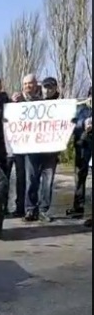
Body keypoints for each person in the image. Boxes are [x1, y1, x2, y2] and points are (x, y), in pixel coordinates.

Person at [23, 77, 60, 222]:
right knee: (31, 180)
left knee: (47, 183)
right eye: (45, 87)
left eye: (51, 87)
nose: (48, 90)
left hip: (51, 152)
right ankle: (30, 209)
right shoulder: (32, 103)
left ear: (55, 88)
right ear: (41, 88)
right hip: (32, 151)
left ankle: (44, 210)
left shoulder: (61, 105)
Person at [8, 73, 42, 218]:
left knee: (32, 177)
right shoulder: (15, 100)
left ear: (36, 85)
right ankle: (19, 207)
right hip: (18, 145)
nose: (28, 86)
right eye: (26, 84)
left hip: (33, 145)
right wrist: (13, 102)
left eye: (30, 83)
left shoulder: (41, 102)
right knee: (20, 177)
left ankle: (31, 208)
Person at [66, 87, 92, 221]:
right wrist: (83, 124)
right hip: (83, 145)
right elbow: (72, 123)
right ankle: (78, 207)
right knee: (80, 178)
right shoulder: (81, 108)